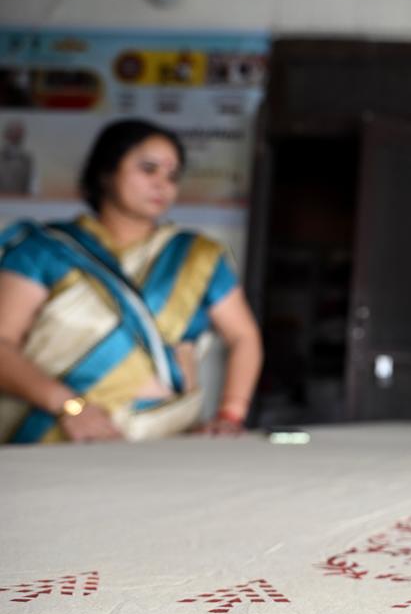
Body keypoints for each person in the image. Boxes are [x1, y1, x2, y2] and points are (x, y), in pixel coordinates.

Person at [0, 119, 262, 443]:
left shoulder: (197, 256)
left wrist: (229, 415)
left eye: (172, 175)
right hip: (53, 435)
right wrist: (69, 406)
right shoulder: (46, 249)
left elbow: (243, 336)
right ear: (106, 172)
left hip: (165, 440)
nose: (162, 184)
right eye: (148, 169)